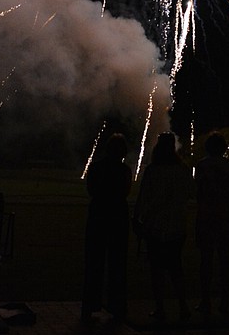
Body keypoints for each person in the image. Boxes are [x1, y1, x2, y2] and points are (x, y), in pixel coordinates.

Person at [133, 132, 191, 323]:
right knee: (176, 268)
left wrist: (137, 219)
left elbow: (143, 198)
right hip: (176, 226)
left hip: (155, 226)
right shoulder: (182, 170)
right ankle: (183, 306)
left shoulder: (152, 170)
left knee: (157, 269)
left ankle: (160, 308)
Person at [81, 132, 131, 324]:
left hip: (98, 216)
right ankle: (116, 305)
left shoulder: (95, 168)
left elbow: (91, 190)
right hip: (117, 216)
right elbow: (125, 192)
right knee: (117, 263)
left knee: (94, 262)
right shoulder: (124, 170)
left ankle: (90, 304)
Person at [195, 133, 229, 318]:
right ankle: (224, 301)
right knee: (225, 259)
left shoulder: (202, 166)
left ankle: (205, 301)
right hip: (226, 215)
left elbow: (198, 191)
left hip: (206, 215)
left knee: (206, 260)